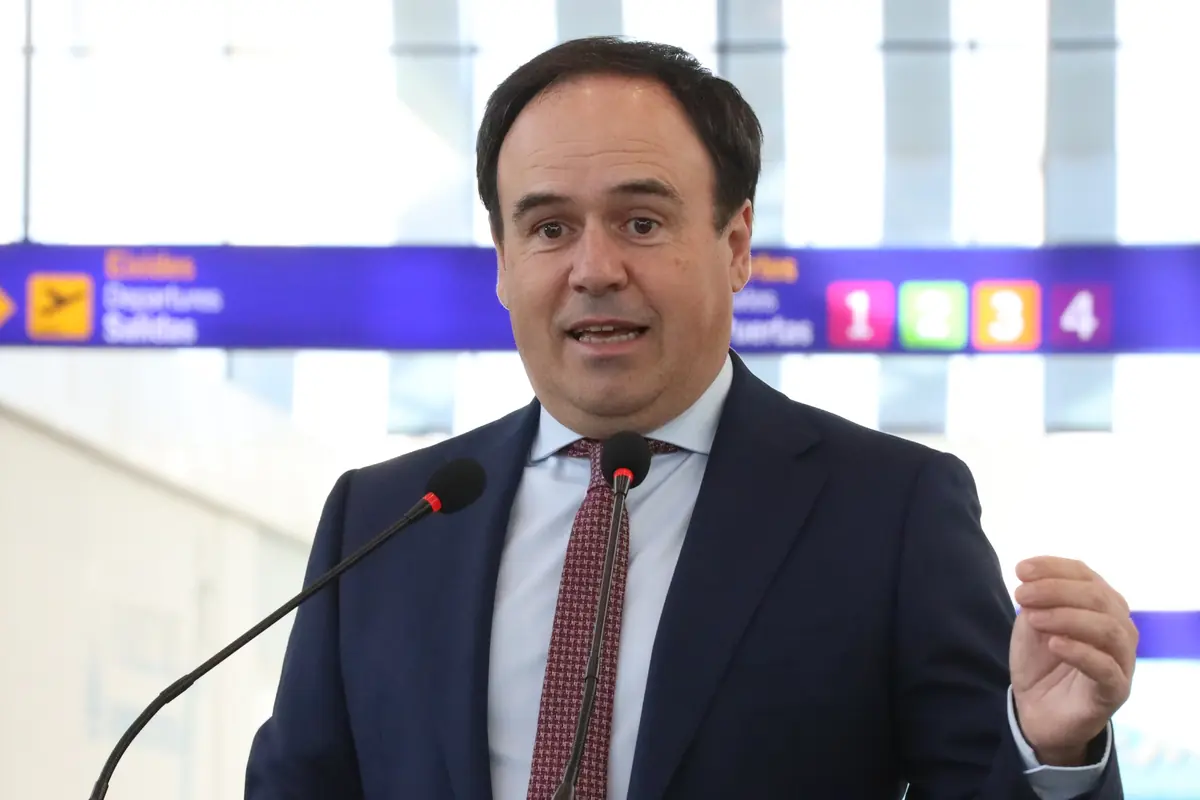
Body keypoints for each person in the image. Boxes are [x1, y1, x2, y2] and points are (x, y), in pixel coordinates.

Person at [245, 36, 1137, 800]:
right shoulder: (385, 520)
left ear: (736, 244)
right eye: (549, 229)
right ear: (505, 263)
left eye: (639, 221)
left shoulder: (890, 512)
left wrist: (1050, 751)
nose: (593, 268)